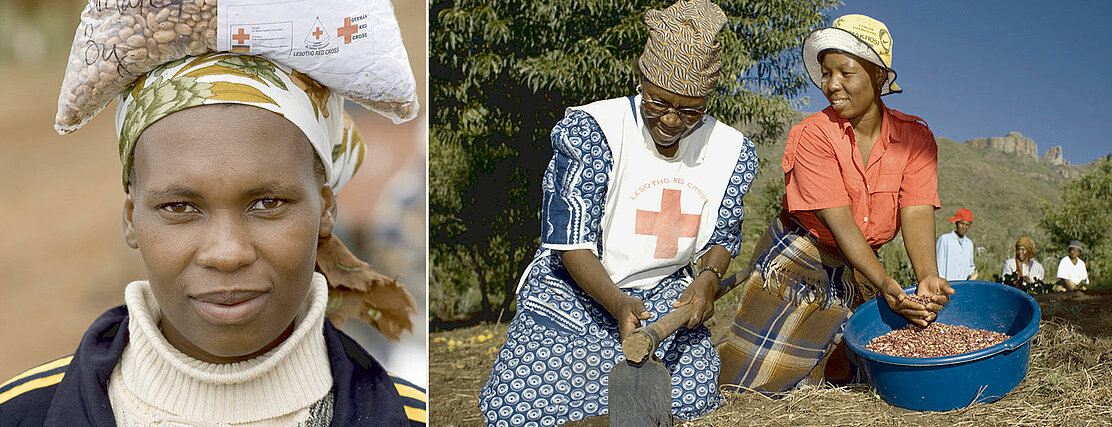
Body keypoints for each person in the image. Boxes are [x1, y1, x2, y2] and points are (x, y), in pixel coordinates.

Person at [0, 53, 425, 425]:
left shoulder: (415, 416)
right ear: (131, 218)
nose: (227, 253)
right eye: (180, 208)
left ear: (326, 209)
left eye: (267, 202)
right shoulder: (23, 414)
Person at [477, 0, 757, 423]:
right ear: (642, 80)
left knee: (691, 398)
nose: (671, 120)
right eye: (659, 103)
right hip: (576, 292)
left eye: (689, 110)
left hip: (663, 295)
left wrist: (706, 279)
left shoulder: (732, 151)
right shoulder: (593, 130)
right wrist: (617, 302)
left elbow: (723, 237)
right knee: (519, 408)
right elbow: (571, 244)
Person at [717, 14, 952, 395]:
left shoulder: (916, 138)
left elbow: (917, 209)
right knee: (752, 382)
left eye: (845, 72)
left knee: (853, 370)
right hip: (802, 260)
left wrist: (926, 275)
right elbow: (840, 223)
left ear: (878, 77)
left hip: (861, 263)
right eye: (826, 73)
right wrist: (884, 283)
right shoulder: (813, 135)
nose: (832, 84)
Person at [936, 208, 977, 281]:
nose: (964, 227)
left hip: (963, 285)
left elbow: (970, 266)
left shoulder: (969, 244)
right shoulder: (945, 239)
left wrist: (971, 275)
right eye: (962, 223)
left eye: (967, 224)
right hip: (946, 284)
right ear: (956, 223)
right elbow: (938, 265)